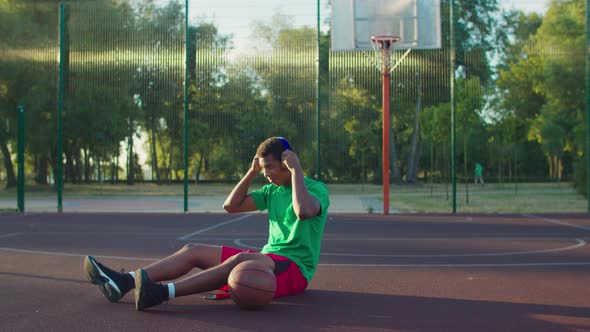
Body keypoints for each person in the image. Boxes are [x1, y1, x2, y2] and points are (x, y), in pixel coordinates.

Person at [83, 137, 330, 311]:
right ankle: (124, 282)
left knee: (242, 259)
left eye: (270, 168)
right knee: (193, 250)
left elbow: (303, 211)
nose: (267, 173)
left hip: (294, 269)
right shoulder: (270, 191)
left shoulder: (316, 190)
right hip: (268, 259)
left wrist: (296, 170)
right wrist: (251, 172)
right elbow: (230, 206)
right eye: (264, 169)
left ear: (287, 162)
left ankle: (160, 293)